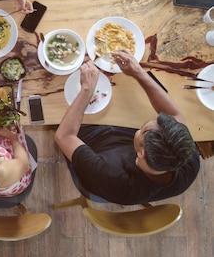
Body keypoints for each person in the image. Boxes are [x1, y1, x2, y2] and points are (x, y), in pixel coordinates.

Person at [53, 52, 201, 205]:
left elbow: (63, 136)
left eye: (143, 130)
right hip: (119, 142)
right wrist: (139, 73)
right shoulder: (185, 154)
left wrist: (87, 89)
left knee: (57, 113)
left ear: (141, 153)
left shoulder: (113, 175)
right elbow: (174, 113)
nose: (150, 120)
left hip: (94, 156)